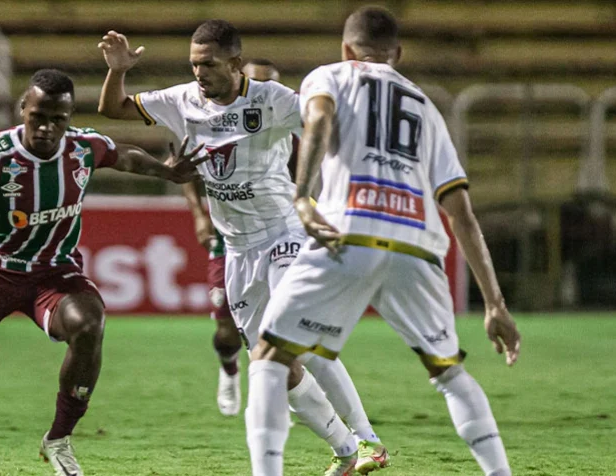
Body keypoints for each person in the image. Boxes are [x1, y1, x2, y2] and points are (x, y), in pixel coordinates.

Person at [0, 69, 206, 476]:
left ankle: (58, 440)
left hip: (54, 274)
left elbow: (124, 156)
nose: (48, 128)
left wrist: (167, 171)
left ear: (68, 117)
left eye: (58, 118)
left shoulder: (83, 147)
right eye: (38, 117)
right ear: (22, 111)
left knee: (89, 324)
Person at [98, 21, 388, 475]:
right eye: (194, 64)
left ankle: (369, 439)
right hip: (236, 247)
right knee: (271, 362)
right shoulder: (182, 100)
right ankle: (347, 449)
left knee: (293, 337)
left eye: (208, 64)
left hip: (284, 232)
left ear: (234, 63)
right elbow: (112, 108)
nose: (199, 72)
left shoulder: (271, 99)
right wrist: (117, 70)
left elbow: (327, 126)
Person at [246, 6, 521, 476]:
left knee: (269, 358)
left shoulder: (329, 75)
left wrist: (303, 196)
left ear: (346, 49)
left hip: (348, 233)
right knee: (450, 375)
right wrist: (495, 303)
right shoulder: (426, 106)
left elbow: (318, 120)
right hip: (416, 246)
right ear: (397, 54)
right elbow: (463, 215)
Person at [182, 58, 284, 417]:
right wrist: (198, 213)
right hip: (229, 237)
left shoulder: (287, 129)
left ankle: (282, 390)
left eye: (268, 86)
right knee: (226, 326)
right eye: (254, 84)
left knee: (284, 317)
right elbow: (187, 168)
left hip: (277, 233)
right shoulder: (212, 120)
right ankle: (229, 369)